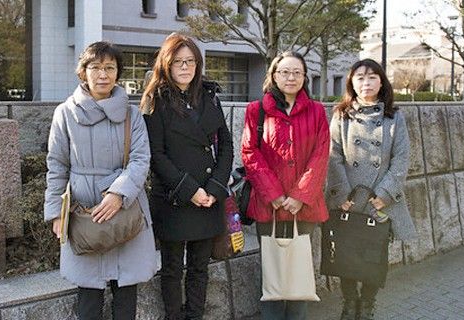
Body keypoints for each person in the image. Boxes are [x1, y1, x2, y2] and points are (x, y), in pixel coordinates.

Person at [44, 41, 157, 320]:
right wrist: (56, 214)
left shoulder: (132, 114)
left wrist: (118, 194)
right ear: (83, 72)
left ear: (118, 73)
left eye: (110, 68)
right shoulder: (66, 113)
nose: (103, 74)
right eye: (95, 67)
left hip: (126, 208)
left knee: (126, 290)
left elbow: (141, 159)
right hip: (84, 210)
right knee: (89, 294)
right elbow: (57, 165)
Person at [141, 33, 233, 320]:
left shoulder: (209, 96)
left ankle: (195, 316)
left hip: (208, 196)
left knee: (199, 268)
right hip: (174, 198)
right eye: (178, 61)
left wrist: (215, 188)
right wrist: (190, 190)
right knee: (171, 269)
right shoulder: (155, 100)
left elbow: (226, 145)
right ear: (166, 64)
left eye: (190, 61)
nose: (185, 67)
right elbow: (156, 155)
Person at [241, 51, 330, 320]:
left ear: (305, 77)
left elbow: (321, 154)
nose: (291, 77)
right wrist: (275, 195)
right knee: (273, 270)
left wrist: (301, 195)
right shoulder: (256, 111)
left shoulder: (316, 111)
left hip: (305, 207)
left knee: (298, 270)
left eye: (297, 72)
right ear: (273, 75)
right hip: (269, 206)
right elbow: (249, 152)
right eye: (284, 72)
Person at [326, 59, 416, 320]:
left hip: (379, 201)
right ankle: (349, 302)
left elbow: (401, 158)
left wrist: (385, 195)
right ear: (352, 83)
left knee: (375, 256)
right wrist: (341, 195)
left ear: (381, 82)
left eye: (372, 77)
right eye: (360, 78)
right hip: (349, 201)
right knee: (345, 256)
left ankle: (367, 304)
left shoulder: (394, 117)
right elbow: (333, 157)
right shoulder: (341, 115)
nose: (366, 83)